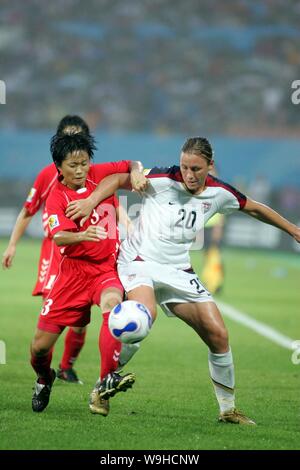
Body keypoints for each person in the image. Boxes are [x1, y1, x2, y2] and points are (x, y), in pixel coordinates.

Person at [68, 136, 300, 424]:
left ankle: (228, 410)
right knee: (142, 317)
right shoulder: (163, 178)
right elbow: (116, 179)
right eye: (185, 167)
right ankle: (103, 386)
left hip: (178, 269)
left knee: (219, 335)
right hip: (139, 261)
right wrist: (91, 201)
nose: (189, 175)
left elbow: (254, 207)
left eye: (196, 169)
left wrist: (293, 229)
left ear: (209, 166)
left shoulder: (220, 193)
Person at [30, 132, 147, 416]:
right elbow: (59, 239)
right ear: (59, 167)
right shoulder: (57, 197)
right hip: (71, 275)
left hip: (105, 270)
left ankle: (106, 380)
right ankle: (45, 379)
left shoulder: (98, 173)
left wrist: (137, 173)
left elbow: (132, 163)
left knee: (113, 307)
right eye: (73, 165)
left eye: (84, 163)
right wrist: (83, 234)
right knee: (39, 350)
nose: (81, 169)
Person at [2, 115, 94, 384]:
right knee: (51, 313)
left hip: (85, 251)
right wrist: (12, 245)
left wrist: (125, 224)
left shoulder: (93, 174)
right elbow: (28, 210)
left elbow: (113, 204)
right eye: (65, 137)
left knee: (79, 319)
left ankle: (67, 367)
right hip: (54, 250)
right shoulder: (48, 174)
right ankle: (45, 373)